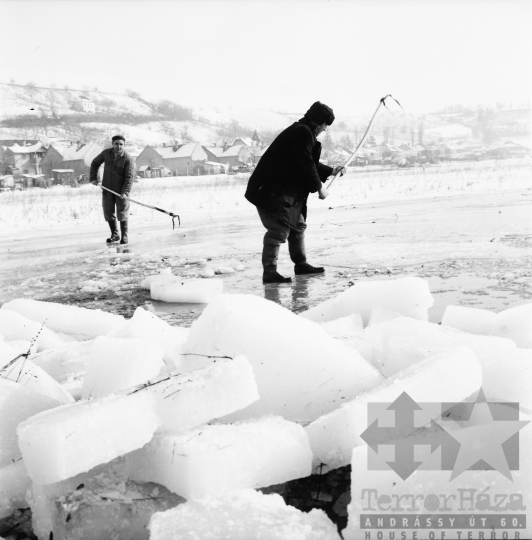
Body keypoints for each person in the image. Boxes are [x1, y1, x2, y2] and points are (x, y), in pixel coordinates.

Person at [245, 101, 345, 283]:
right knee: (278, 229)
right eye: (324, 125)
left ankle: (301, 264)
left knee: (297, 225)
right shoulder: (302, 132)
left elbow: (308, 163)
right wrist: (319, 188)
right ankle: (269, 272)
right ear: (318, 122)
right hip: (269, 190)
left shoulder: (302, 132)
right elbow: (305, 164)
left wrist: (331, 171)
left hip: (280, 190)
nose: (324, 130)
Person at [90, 135, 135, 244]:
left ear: (124, 145)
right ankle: (115, 234)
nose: (118, 146)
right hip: (107, 189)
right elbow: (95, 163)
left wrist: (125, 192)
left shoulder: (128, 158)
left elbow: (129, 177)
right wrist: (93, 178)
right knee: (108, 211)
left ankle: (124, 236)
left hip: (121, 191)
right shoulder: (106, 154)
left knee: (122, 212)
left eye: (121, 144)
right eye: (116, 144)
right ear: (112, 144)